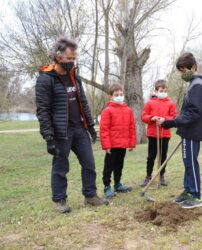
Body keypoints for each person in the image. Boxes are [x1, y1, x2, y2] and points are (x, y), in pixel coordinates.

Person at [35, 37, 109, 213]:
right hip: (61, 132)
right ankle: (60, 201)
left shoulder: (74, 76)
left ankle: (90, 196)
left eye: (74, 59)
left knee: (89, 164)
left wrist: (91, 127)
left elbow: (82, 102)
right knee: (61, 167)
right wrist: (48, 138)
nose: (71, 62)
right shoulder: (46, 80)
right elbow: (42, 111)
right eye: (69, 59)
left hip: (79, 129)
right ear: (58, 57)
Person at [159, 52, 202, 209]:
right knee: (187, 162)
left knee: (191, 163)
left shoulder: (197, 85)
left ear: (194, 67)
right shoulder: (193, 83)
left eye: (184, 71)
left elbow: (193, 113)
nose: (183, 75)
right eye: (181, 72)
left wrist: (171, 123)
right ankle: (188, 190)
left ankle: (196, 195)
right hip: (188, 131)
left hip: (193, 131)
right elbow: (187, 110)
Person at [100, 84, 136, 197]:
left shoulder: (128, 110)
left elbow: (132, 127)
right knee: (109, 166)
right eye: (116, 95)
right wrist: (106, 146)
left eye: (121, 94)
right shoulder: (107, 111)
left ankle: (118, 184)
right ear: (110, 97)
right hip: (112, 145)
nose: (119, 97)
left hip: (123, 145)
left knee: (119, 165)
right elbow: (104, 129)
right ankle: (107, 186)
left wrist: (131, 143)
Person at [141, 80, 177, 187]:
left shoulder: (171, 104)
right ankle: (148, 176)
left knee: (163, 156)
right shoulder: (149, 103)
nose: (163, 92)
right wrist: (152, 118)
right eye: (161, 91)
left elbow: (174, 117)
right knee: (151, 156)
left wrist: (164, 119)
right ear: (156, 91)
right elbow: (143, 117)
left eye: (165, 91)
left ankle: (161, 176)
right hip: (153, 134)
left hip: (165, 134)